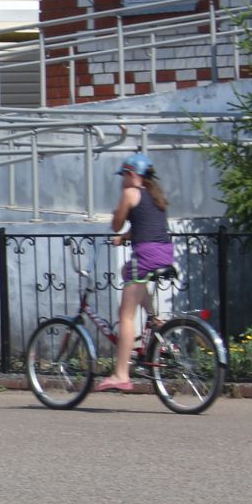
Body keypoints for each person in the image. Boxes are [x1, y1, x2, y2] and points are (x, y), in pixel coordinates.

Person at [97, 154, 175, 392]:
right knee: (126, 272)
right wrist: (125, 238)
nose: (121, 181)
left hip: (145, 256)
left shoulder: (130, 193)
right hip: (164, 253)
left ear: (131, 174)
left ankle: (121, 374)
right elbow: (146, 226)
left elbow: (115, 225)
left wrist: (116, 215)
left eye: (122, 176)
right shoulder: (155, 196)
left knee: (126, 315)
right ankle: (154, 318)